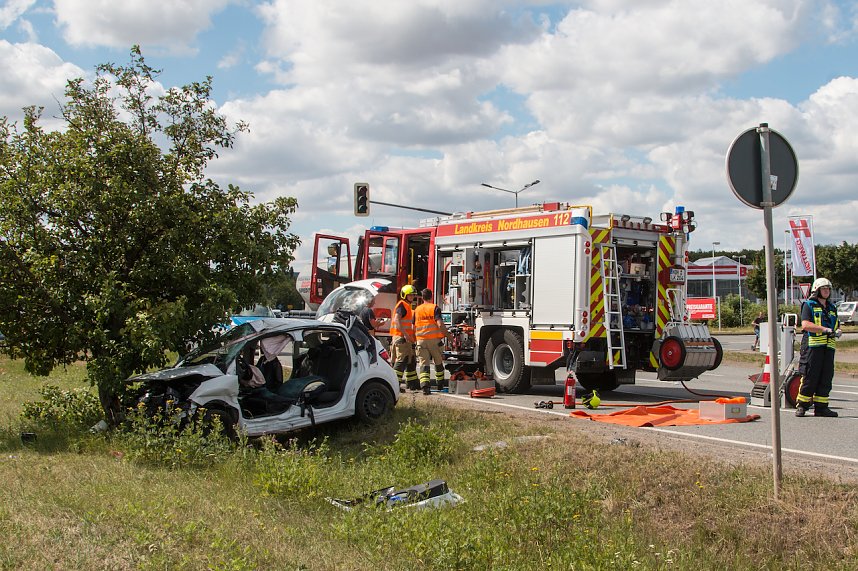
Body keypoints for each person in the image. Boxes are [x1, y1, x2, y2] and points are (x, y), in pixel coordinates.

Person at [795, 277, 840, 418]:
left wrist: (838, 330)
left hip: (828, 347)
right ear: (817, 290)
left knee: (826, 377)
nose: (826, 291)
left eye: (828, 289)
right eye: (823, 288)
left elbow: (836, 324)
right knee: (810, 376)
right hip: (812, 347)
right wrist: (824, 329)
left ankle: (821, 407)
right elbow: (805, 325)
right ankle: (802, 406)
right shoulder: (809, 305)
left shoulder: (832, 307)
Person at [414, 288, 454, 395]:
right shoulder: (434, 308)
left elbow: (413, 326)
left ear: (422, 298)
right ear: (431, 297)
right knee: (438, 361)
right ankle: (440, 384)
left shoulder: (417, 310)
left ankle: (425, 387)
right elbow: (440, 324)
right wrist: (449, 337)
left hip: (421, 340)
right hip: (434, 341)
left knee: (424, 364)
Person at [390, 284, 419, 391]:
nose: (412, 297)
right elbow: (397, 320)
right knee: (401, 361)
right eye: (410, 295)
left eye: (413, 295)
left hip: (405, 338)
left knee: (410, 360)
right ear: (404, 295)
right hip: (401, 338)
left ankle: (412, 383)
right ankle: (394, 384)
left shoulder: (407, 306)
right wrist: (405, 334)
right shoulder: (402, 305)